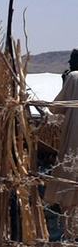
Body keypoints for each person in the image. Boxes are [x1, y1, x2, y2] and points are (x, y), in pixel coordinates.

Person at [45, 49, 78, 219]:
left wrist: (65, 82)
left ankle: (71, 234)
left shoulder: (73, 78)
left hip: (74, 140)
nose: (70, 64)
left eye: (73, 61)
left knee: (68, 185)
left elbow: (55, 108)